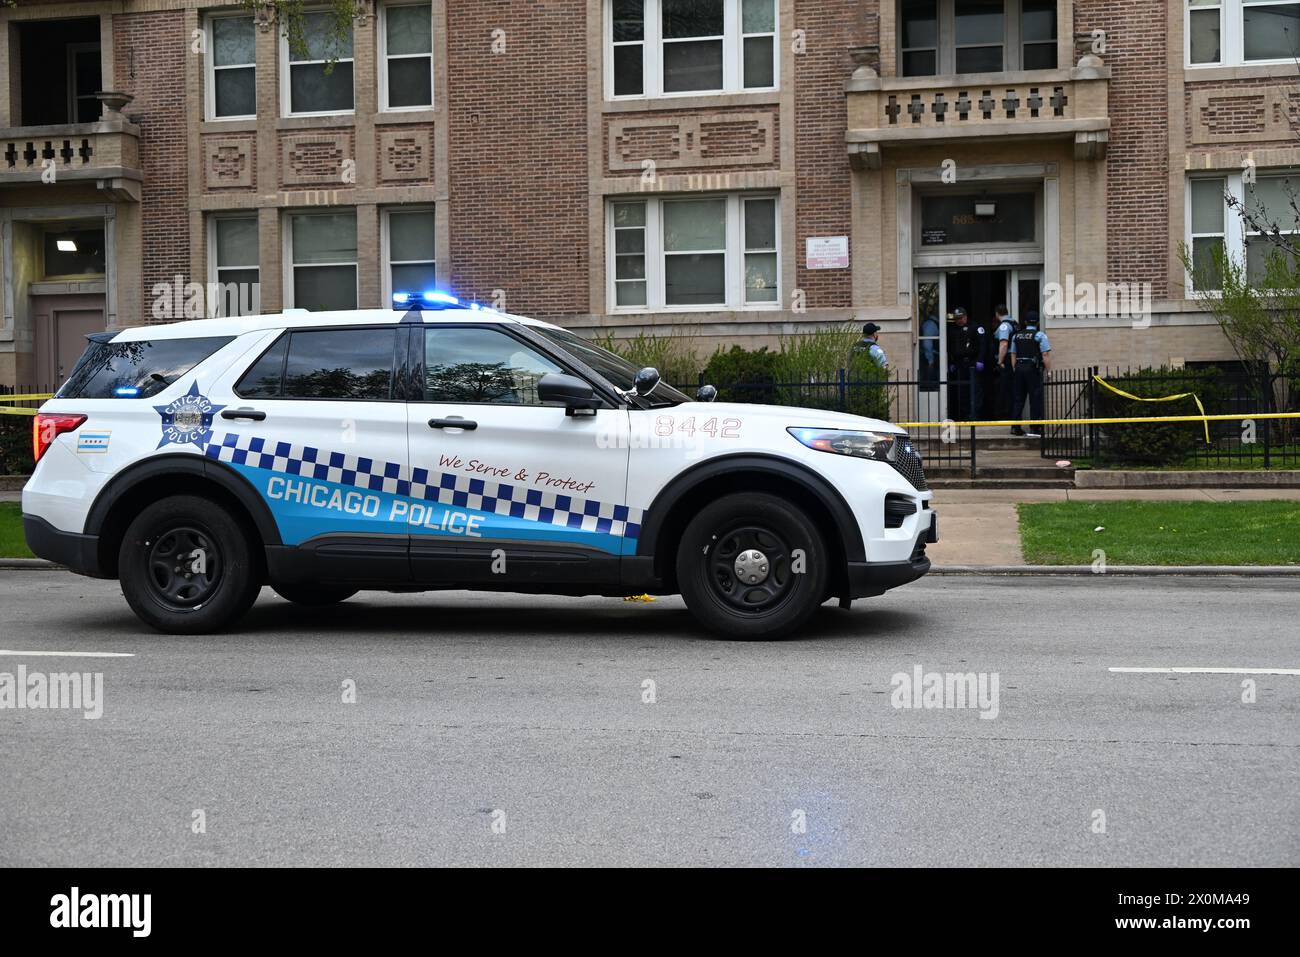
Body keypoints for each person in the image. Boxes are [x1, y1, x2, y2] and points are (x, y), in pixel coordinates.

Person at [1009, 310, 1051, 438]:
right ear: (1037, 323)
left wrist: (1014, 368)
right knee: (1035, 398)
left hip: (1019, 368)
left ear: (1025, 322)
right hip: (1033, 369)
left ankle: (1015, 427)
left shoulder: (1017, 336)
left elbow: (1013, 353)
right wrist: (1048, 371)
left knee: (1018, 399)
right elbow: (1045, 354)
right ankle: (1034, 427)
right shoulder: (1040, 335)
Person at [947, 307, 987, 421]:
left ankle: (975, 415)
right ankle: (965, 415)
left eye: (961, 318)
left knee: (975, 390)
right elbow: (950, 347)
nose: (959, 321)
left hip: (973, 363)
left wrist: (980, 360)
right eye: (957, 319)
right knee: (962, 391)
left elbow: (983, 345)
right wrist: (952, 362)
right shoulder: (952, 330)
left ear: (965, 316)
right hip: (960, 364)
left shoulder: (975, 327)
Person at [992, 305, 1018, 428]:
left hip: (1006, 360)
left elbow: (1003, 344)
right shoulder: (1014, 323)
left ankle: (1004, 415)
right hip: (1014, 359)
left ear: (997, 314)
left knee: (1004, 389)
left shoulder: (1004, 326)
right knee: (1012, 389)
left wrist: (1000, 361)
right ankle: (1013, 416)